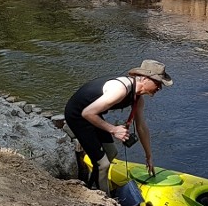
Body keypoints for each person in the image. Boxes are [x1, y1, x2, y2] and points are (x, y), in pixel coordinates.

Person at [64, 59, 172, 194]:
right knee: (103, 164)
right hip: (78, 115)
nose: (159, 88)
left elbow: (142, 127)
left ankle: (92, 185)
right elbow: (87, 113)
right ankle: (104, 198)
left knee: (111, 153)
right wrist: (113, 129)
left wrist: (148, 155)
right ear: (144, 79)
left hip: (92, 114)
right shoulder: (120, 89)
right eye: (158, 83)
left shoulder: (138, 99)